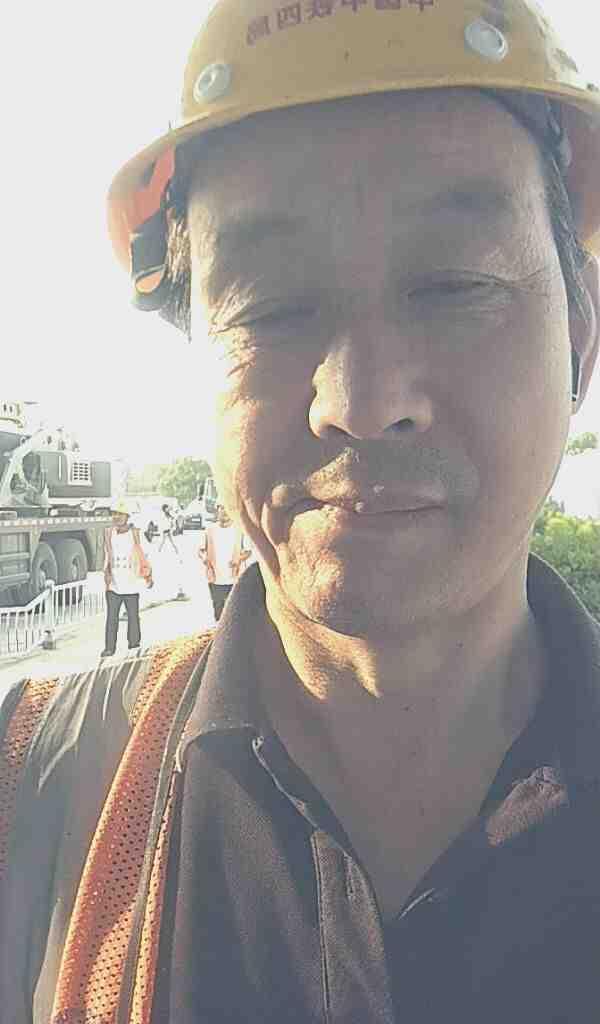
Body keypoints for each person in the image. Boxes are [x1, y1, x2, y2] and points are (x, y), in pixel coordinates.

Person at [2, 3, 600, 1021]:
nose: (360, 401)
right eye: (271, 306)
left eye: (454, 283)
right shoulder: (32, 791)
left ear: (581, 338)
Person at [100, 499, 153, 657]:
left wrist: (148, 575)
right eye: (114, 514)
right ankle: (109, 648)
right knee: (111, 618)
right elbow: (107, 555)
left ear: (127, 516)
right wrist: (106, 572)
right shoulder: (108, 533)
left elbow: (146, 555)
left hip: (131, 583)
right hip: (113, 583)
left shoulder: (136, 534)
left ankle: (134, 646)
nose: (117, 517)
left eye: (120, 514)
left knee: (133, 616)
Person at [198, 503, 250, 620]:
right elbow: (201, 550)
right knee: (218, 610)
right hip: (215, 578)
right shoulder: (210, 530)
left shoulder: (240, 530)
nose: (224, 511)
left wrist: (238, 559)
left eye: (227, 508)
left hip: (235, 578)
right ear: (217, 510)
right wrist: (204, 558)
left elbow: (248, 551)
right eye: (221, 508)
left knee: (234, 610)